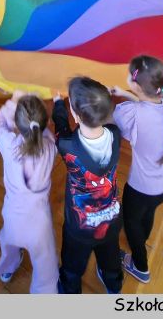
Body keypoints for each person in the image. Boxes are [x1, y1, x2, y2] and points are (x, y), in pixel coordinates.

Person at [109, 56, 163, 284]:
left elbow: (116, 121)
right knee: (147, 213)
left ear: (137, 85)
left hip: (143, 187)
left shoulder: (130, 113)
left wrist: (119, 98)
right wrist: (126, 93)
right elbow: (146, 103)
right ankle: (142, 238)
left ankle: (140, 266)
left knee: (130, 222)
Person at [53, 77, 123, 294]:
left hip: (79, 227)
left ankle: (70, 290)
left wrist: (58, 103)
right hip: (111, 219)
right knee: (110, 256)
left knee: (72, 266)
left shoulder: (67, 145)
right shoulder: (116, 135)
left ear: (75, 115)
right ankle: (114, 284)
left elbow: (61, 126)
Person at [0, 91, 59, 293]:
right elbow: (45, 134)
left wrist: (12, 101)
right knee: (45, 263)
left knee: (10, 243)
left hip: (12, 215)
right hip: (39, 223)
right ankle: (44, 292)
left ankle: (8, 267)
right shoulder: (51, 147)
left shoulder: (8, 144)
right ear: (46, 123)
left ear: (16, 123)